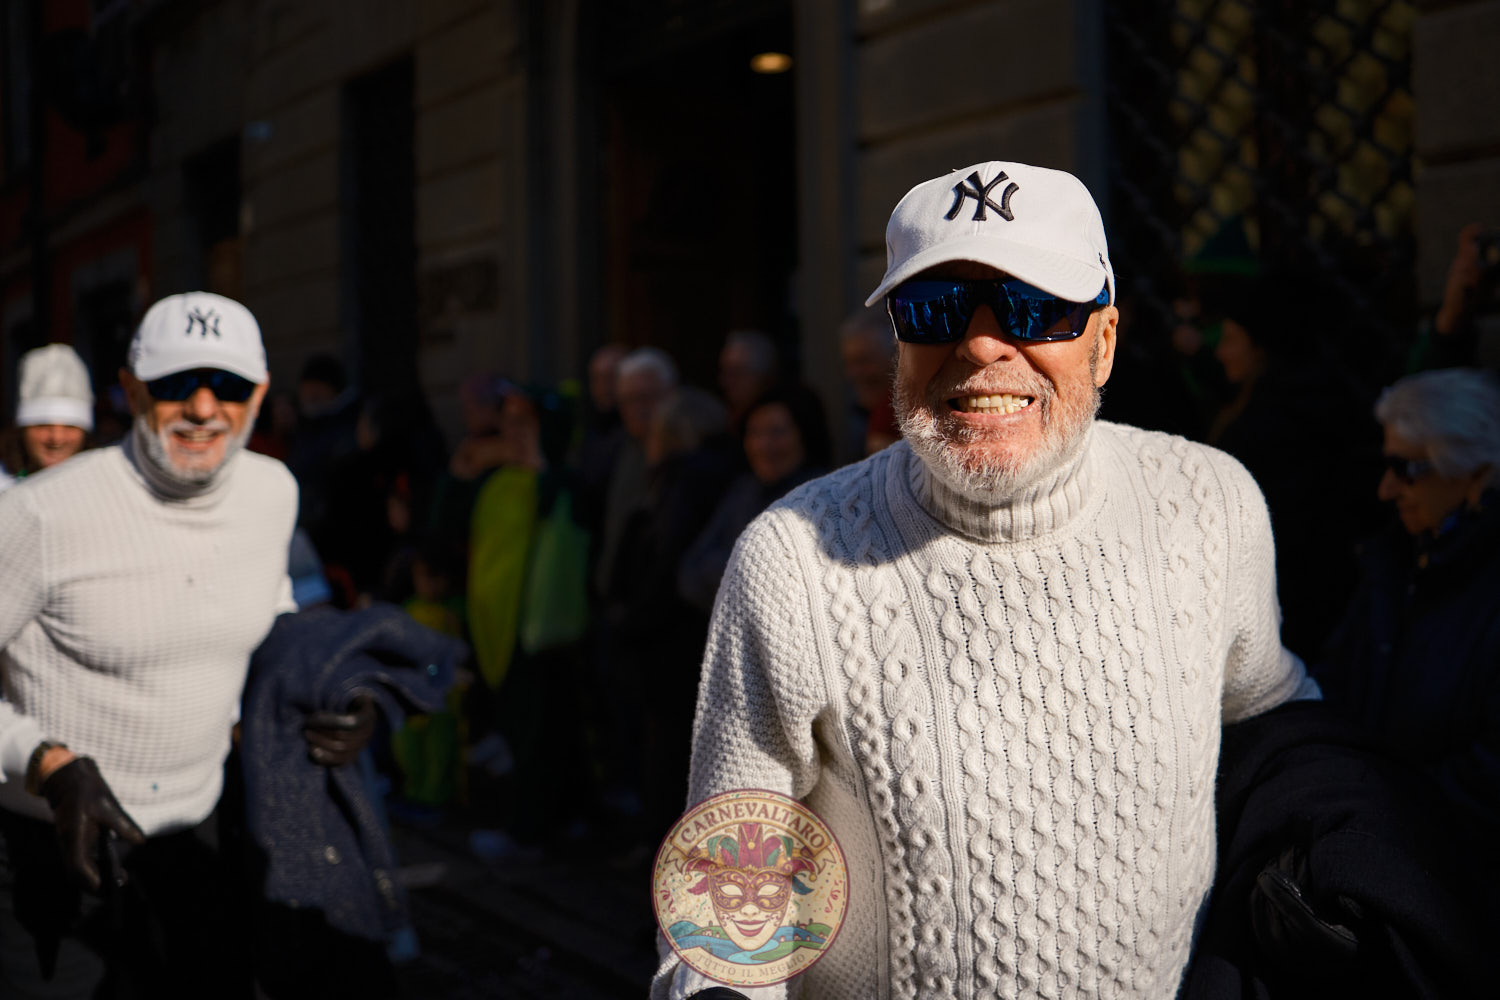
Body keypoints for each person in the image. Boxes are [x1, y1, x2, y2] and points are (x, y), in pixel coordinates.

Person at [652, 161, 1318, 999]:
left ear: (1104, 342)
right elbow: (724, 896)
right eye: (935, 307)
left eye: (1034, 307)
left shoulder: (1210, 503)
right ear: (900, 340)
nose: (980, 344)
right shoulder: (793, 559)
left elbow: (1272, 712)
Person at [0, 291, 368, 996]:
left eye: (227, 385)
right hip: (46, 851)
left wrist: (331, 696)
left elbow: (269, 612)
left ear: (259, 394)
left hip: (196, 841)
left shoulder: (272, 493)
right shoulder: (39, 513)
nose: (203, 408)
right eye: (176, 384)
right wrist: (42, 762)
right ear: (132, 389)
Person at [1313, 368, 1500, 924]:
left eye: (1408, 469)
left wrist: (1377, 810)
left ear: (1475, 475)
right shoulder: (1394, 564)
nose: (1386, 489)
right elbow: (1334, 684)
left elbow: (1487, 779)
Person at [677, 384, 831, 614]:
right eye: (755, 433)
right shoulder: (743, 491)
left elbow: (787, 586)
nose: (763, 445)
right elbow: (690, 573)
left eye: (777, 432)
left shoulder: (823, 499)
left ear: (805, 435)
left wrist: (729, 571)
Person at [0, 343, 95, 491]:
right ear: (22, 428)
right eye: (43, 425)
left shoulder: (101, 488)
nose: (56, 438)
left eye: (69, 426)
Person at [838, 308, 900, 458]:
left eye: (864, 361)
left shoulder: (912, 425)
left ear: (896, 358)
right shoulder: (857, 418)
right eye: (849, 363)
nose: (854, 373)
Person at [718, 330, 781, 431]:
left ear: (764, 377)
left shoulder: (777, 423)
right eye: (725, 372)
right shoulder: (720, 421)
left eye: (737, 373)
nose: (725, 382)